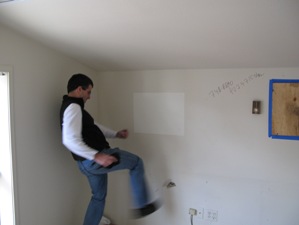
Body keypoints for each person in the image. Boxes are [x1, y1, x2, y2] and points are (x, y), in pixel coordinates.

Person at [60, 73, 159, 225]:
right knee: (137, 163)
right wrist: (97, 156)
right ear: (79, 89)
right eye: (88, 92)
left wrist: (115, 134)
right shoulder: (73, 107)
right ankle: (142, 206)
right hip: (94, 160)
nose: (90, 96)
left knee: (98, 197)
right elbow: (68, 140)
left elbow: (95, 127)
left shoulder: (76, 108)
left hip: (86, 163)